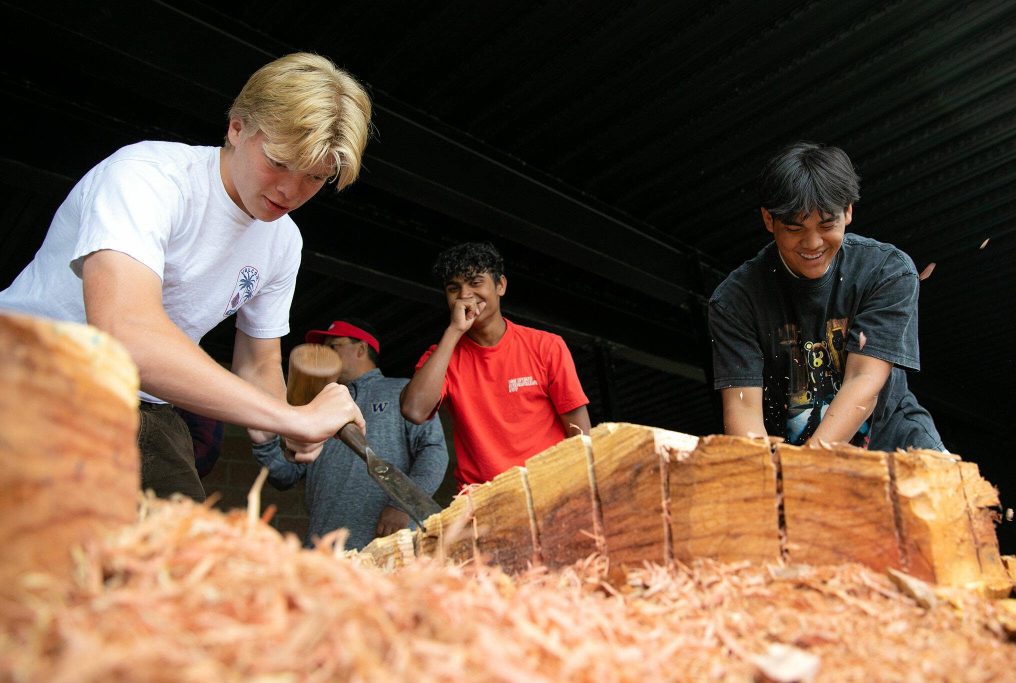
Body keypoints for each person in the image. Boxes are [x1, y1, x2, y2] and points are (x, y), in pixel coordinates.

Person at [0, 53, 372, 501]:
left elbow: (257, 363)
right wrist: (292, 419)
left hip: (142, 404)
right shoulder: (147, 177)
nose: (290, 192)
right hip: (28, 367)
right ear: (237, 127)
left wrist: (288, 422)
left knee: (183, 554)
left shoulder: (283, 242)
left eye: (315, 177)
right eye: (278, 162)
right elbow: (127, 334)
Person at [708, 141, 944, 451]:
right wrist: (768, 474)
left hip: (894, 444)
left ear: (848, 211)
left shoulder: (886, 271)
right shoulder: (735, 301)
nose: (812, 243)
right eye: (794, 228)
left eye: (826, 224)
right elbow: (743, 408)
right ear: (769, 220)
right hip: (791, 454)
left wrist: (810, 464)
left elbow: (863, 381)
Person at [401, 242, 591, 488]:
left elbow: (579, 430)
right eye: (453, 288)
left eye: (476, 282)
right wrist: (454, 330)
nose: (465, 295)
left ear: (500, 285)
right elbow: (414, 410)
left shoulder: (546, 346)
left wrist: (582, 487)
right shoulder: (442, 356)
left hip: (548, 488)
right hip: (482, 502)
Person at [252, 319, 448, 549]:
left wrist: (403, 504)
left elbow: (434, 451)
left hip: (386, 549)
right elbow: (285, 475)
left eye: (333, 346)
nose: (325, 354)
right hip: (323, 548)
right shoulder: (319, 405)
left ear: (362, 349)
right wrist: (263, 441)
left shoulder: (403, 392)